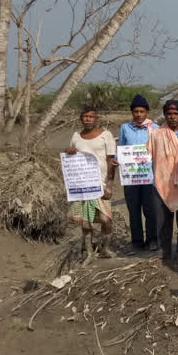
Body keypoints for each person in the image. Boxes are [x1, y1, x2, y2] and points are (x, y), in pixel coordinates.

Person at [65, 107, 116, 264]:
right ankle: (89, 253)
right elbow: (70, 156)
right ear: (81, 119)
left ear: (96, 119)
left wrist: (110, 184)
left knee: (105, 219)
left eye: (91, 117)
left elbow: (111, 161)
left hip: (100, 184)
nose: (88, 119)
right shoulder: (76, 137)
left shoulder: (106, 135)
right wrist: (68, 151)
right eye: (85, 116)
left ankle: (105, 248)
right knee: (85, 222)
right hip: (82, 185)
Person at [147, 100, 178, 266]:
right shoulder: (156, 134)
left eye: (176, 114)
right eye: (169, 114)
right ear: (165, 115)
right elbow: (147, 155)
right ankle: (163, 252)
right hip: (161, 184)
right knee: (162, 223)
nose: (172, 117)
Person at [112, 94, 159, 252]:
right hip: (131, 177)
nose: (138, 115)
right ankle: (137, 241)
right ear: (132, 112)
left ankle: (152, 240)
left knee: (150, 209)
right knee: (133, 210)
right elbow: (122, 148)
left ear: (147, 112)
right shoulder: (125, 128)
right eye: (136, 111)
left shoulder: (155, 128)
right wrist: (117, 159)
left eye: (142, 111)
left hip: (149, 177)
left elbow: (159, 151)